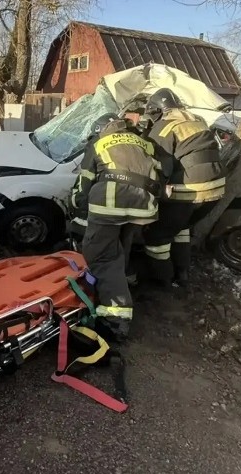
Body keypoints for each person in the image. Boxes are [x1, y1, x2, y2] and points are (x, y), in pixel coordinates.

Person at [69, 113, 166, 341]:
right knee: (122, 244)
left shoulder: (99, 143)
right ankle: (125, 277)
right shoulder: (143, 141)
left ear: (101, 129)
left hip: (111, 204)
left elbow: (84, 184)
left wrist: (77, 204)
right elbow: (162, 172)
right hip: (144, 206)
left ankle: (116, 317)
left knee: (100, 255)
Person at [139, 88, 226, 296]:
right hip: (216, 188)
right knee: (181, 228)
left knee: (157, 238)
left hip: (188, 190)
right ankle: (183, 274)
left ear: (157, 110)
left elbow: (159, 164)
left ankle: (162, 281)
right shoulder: (197, 119)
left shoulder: (163, 127)